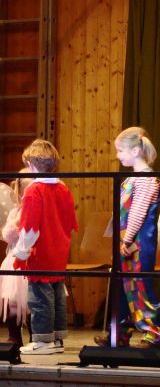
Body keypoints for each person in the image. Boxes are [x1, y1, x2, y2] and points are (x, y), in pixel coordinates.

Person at [94, 127, 160, 348]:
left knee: (139, 286)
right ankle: (119, 333)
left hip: (139, 244)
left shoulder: (145, 179)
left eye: (121, 151)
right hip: (127, 243)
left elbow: (138, 212)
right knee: (123, 288)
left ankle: (153, 333)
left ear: (135, 151)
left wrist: (127, 239)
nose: (118, 155)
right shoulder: (133, 178)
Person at [13, 140, 78, 355]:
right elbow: (70, 222)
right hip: (59, 249)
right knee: (57, 294)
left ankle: (42, 340)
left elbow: (30, 228)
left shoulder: (34, 190)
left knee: (39, 297)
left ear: (31, 165)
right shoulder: (63, 188)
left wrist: (21, 252)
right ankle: (57, 338)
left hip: (41, 251)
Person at [0, 170, 32, 348]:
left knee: (33, 301)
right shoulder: (15, 212)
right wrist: (18, 220)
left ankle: (36, 337)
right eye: (24, 192)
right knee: (12, 300)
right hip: (14, 260)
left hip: (33, 259)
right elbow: (7, 235)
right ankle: (14, 336)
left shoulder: (39, 210)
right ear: (19, 194)